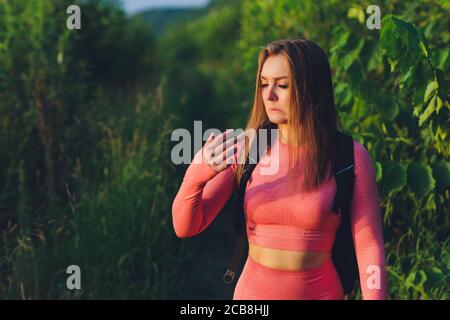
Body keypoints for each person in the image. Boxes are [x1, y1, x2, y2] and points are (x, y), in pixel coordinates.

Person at [172, 39, 388, 300]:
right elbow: (186, 227)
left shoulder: (348, 156)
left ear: (311, 88)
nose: (269, 95)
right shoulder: (247, 148)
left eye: (282, 85)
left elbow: (368, 246)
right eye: (264, 83)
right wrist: (196, 175)